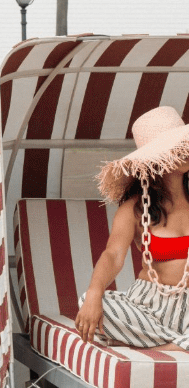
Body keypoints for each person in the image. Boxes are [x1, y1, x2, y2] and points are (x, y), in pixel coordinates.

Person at [78, 106, 189, 349]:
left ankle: (163, 346)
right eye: (177, 146)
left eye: (185, 145)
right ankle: (180, 345)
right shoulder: (134, 209)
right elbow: (113, 255)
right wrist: (95, 293)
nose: (185, 151)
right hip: (147, 308)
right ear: (153, 157)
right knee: (91, 302)